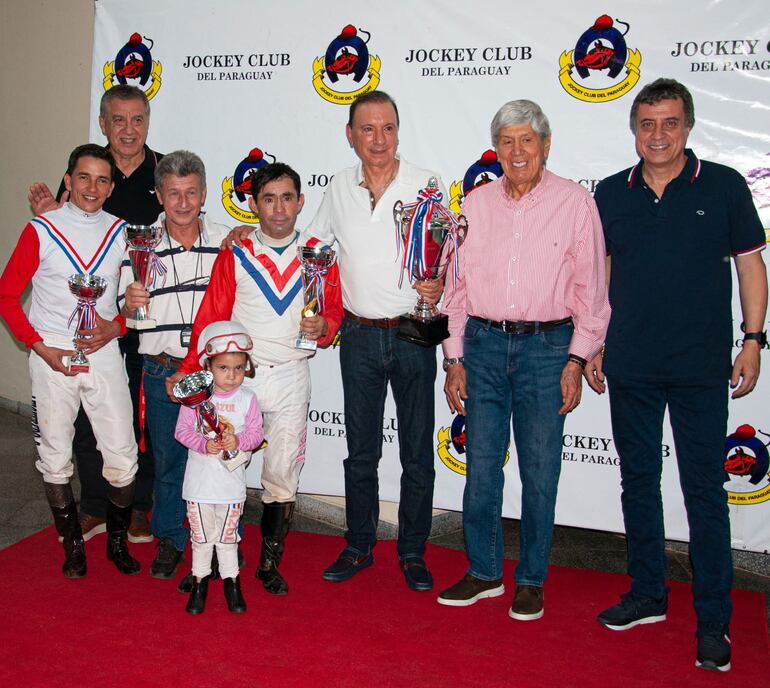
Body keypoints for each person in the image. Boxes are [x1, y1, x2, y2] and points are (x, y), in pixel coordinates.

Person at [587, 78, 767, 672]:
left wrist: (753, 339)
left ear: (688, 126)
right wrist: (594, 344)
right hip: (631, 362)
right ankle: (647, 594)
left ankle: (714, 620)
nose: (658, 135)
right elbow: (600, 277)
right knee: (638, 483)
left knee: (703, 493)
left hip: (700, 365)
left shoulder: (723, 186)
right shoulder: (611, 194)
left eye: (669, 123)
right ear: (633, 129)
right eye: (647, 123)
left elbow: (750, 266)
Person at [438, 100, 610, 618]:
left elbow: (592, 291)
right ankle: (485, 572)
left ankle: (532, 577)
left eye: (527, 140)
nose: (517, 152)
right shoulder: (475, 205)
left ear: (546, 145)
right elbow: (455, 289)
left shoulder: (576, 203)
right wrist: (453, 359)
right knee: (483, 469)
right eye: (507, 141)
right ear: (496, 149)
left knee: (539, 472)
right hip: (483, 349)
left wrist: (577, 359)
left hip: (548, 350)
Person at [176, 162, 342, 595]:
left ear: (301, 201)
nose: (279, 207)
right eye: (269, 198)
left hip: (291, 376)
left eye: (288, 197)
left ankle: (269, 561)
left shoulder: (317, 256)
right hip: (237, 379)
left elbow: (334, 314)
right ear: (253, 204)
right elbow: (212, 315)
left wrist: (323, 325)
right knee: (221, 465)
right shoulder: (237, 252)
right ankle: (214, 554)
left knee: (282, 472)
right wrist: (191, 372)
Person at [306, 90, 446, 591]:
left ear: (398, 132)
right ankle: (359, 544)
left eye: (387, 128)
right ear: (351, 136)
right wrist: (245, 233)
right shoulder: (340, 186)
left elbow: (447, 255)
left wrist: (438, 281)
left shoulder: (427, 184)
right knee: (360, 451)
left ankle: (412, 551)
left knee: (416, 454)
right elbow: (312, 249)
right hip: (360, 336)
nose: (378, 138)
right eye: (367, 129)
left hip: (413, 334)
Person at [29, 85, 163, 544]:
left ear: (148, 122)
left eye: (137, 119)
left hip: (139, 317)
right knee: (84, 414)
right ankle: (91, 506)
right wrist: (51, 215)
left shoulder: (162, 171)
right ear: (103, 124)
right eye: (118, 120)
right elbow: (62, 230)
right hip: (83, 326)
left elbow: (189, 217)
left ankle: (138, 506)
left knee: (135, 416)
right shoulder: (88, 167)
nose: (128, 129)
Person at [0, 143, 142, 577]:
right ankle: (72, 546)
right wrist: (40, 347)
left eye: (102, 179)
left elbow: (133, 304)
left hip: (102, 353)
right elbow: (7, 297)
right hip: (52, 353)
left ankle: (117, 543)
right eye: (84, 177)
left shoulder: (122, 233)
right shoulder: (41, 229)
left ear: (112, 186)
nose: (92, 187)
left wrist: (115, 326)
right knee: (56, 455)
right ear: (68, 180)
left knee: (122, 455)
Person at [120, 150, 230, 580]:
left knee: (217, 462)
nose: (182, 203)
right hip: (163, 371)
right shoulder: (139, 245)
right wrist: (128, 305)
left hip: (216, 374)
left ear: (203, 194)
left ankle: (219, 541)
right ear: (159, 195)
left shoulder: (229, 240)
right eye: (172, 194)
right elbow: (125, 313)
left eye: (190, 193)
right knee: (168, 464)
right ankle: (169, 540)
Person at [175, 320, 265, 614]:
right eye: (224, 368)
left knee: (228, 540)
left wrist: (237, 439)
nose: (232, 375)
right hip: (199, 485)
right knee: (200, 539)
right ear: (208, 366)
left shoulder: (248, 398)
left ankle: (232, 585)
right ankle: (199, 585)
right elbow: (182, 432)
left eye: (239, 368)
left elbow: (256, 434)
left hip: (230, 487)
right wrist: (204, 444)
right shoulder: (195, 398)